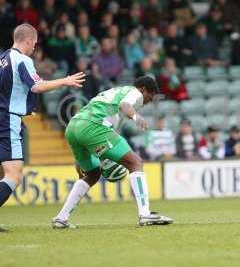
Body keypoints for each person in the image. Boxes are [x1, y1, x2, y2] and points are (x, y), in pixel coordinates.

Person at [52, 76, 173, 228]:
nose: (146, 103)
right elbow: (125, 105)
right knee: (135, 162)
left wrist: (83, 158)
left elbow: (109, 130)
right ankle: (145, 214)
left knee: (93, 174)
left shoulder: (115, 93)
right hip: (93, 125)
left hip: (73, 127)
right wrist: (135, 116)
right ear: (143, 89)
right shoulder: (133, 92)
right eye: (148, 98)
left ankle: (61, 218)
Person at [0, 23, 85, 232]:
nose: (34, 48)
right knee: (14, 175)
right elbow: (37, 86)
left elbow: (12, 89)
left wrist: (26, 106)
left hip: (4, 116)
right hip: (7, 120)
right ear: (28, 40)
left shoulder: (2, 58)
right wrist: (65, 80)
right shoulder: (22, 59)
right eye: (34, 43)